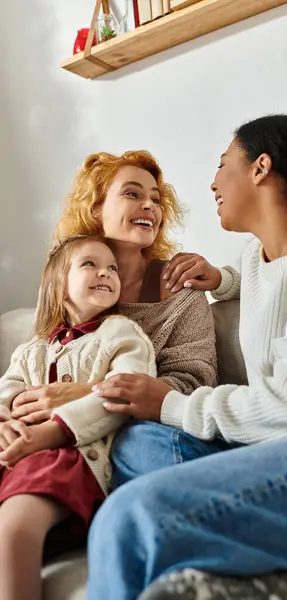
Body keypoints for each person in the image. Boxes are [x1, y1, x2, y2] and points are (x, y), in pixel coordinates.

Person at [86, 115, 287, 600]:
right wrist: (222, 280)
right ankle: (265, 575)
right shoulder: (259, 257)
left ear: (260, 167)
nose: (212, 182)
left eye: (222, 164)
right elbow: (277, 280)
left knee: (130, 518)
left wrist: (170, 402)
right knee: (139, 444)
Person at [10, 151, 218, 487]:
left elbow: (193, 387)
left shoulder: (181, 289)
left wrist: (88, 394)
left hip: (147, 433)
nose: (150, 205)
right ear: (95, 208)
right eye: (132, 193)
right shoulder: (65, 285)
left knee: (138, 444)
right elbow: (31, 367)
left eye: (155, 199)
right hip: (60, 441)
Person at [0, 235, 156, 600]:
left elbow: (126, 393)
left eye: (112, 268)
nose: (106, 272)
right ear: (58, 284)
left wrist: (51, 433)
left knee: (15, 529)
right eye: (91, 264)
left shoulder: (122, 333)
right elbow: (4, 393)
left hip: (70, 459)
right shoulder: (31, 349)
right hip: (16, 455)